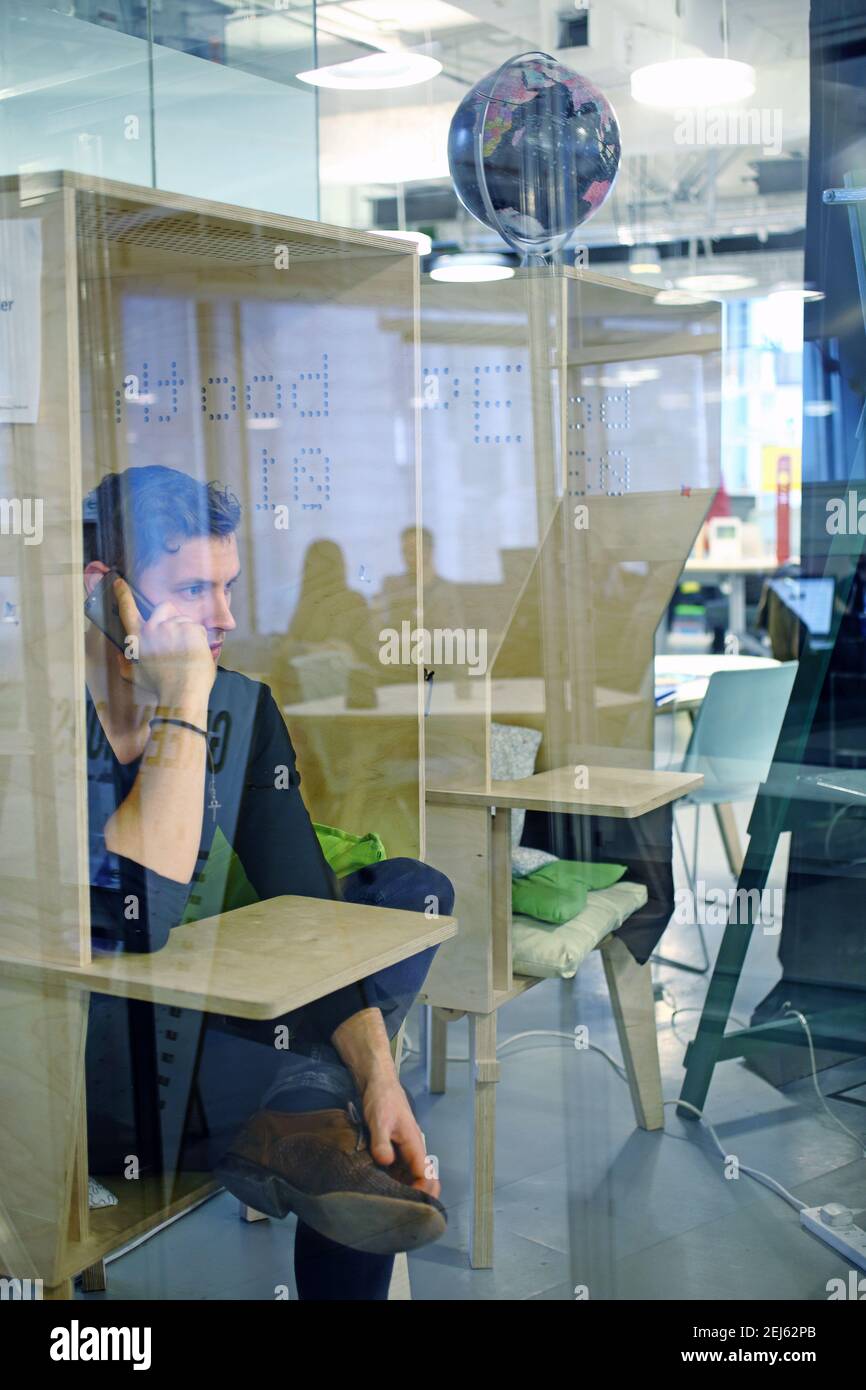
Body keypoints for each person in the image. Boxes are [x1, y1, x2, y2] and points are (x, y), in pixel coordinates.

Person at [82, 465, 453, 1300]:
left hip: (205, 1038)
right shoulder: (46, 713)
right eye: (191, 590)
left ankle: (312, 1114)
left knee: (409, 893)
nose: (226, 619)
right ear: (104, 594)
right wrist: (182, 698)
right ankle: (308, 1123)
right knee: (345, 1133)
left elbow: (309, 909)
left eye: (230, 588)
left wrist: (380, 1074)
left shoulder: (241, 708)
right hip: (98, 1071)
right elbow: (133, 919)